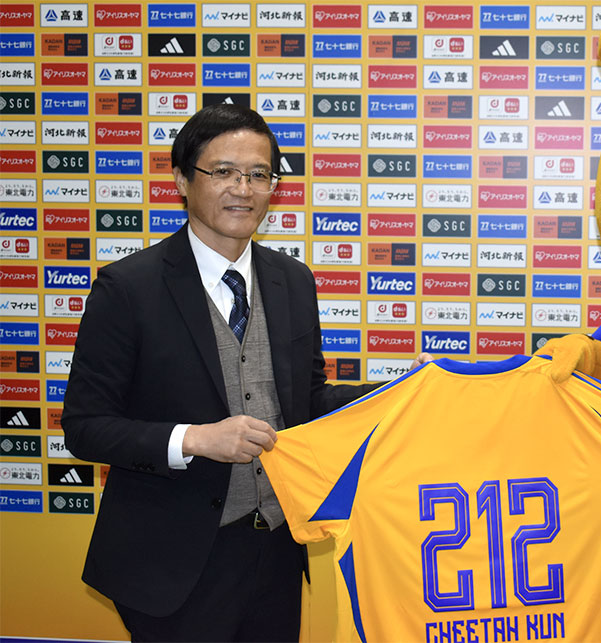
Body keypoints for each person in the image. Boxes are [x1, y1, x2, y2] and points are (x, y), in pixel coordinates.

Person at [62, 103, 430, 641]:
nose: (244, 189)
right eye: (224, 172)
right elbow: (85, 427)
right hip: (170, 561)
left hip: (276, 546)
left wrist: (400, 391)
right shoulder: (127, 288)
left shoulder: (293, 280)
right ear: (182, 180)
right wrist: (195, 439)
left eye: (259, 175)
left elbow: (308, 400)